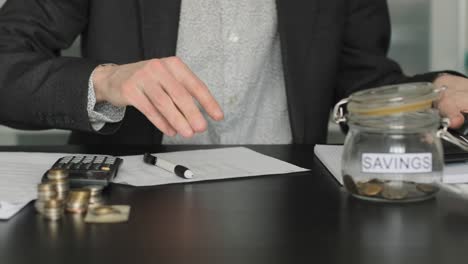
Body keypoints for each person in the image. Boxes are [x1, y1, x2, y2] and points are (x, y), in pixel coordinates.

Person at [0, 0, 467, 145]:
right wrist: (104, 81)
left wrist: (434, 92)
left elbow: (364, 83)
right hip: (128, 209)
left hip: (299, 211)